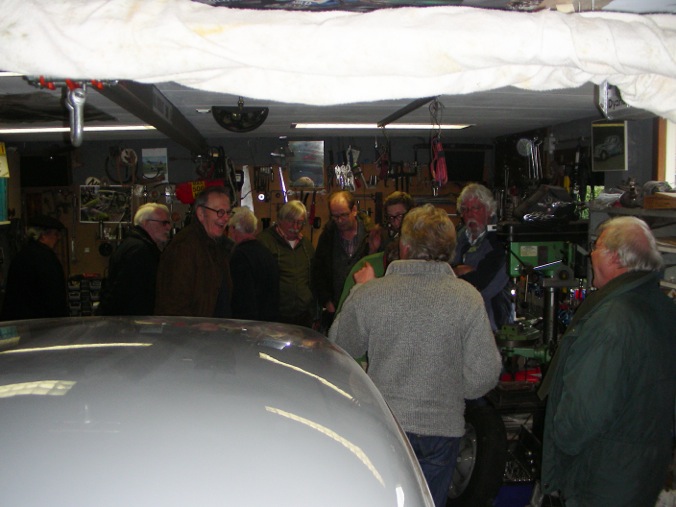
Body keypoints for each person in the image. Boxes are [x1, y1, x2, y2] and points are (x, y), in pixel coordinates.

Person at [329, 204, 502, 507]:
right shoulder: (467, 298)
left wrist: (359, 291)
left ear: (405, 246)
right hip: (442, 432)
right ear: (448, 249)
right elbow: (484, 375)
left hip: (385, 426)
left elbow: (340, 346)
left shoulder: (373, 294)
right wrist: (447, 391)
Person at [540, 216, 676, 507]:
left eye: (597, 247)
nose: (591, 254)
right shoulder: (664, 308)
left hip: (603, 477)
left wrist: (558, 445)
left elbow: (581, 416)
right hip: (644, 467)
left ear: (616, 257)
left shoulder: (611, 321)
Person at [155, 186, 233, 317]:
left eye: (228, 212)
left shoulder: (216, 246)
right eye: (219, 212)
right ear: (201, 214)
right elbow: (173, 305)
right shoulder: (185, 247)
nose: (225, 218)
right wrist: (198, 326)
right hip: (192, 329)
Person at [311, 190, 382, 329]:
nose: (339, 220)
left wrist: (373, 250)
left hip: (365, 308)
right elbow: (318, 272)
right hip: (335, 309)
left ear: (354, 210)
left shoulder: (370, 235)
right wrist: (327, 302)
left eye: (343, 215)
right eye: (335, 216)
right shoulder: (328, 237)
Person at [335, 191, 414, 313]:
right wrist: (373, 249)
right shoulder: (383, 237)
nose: (396, 222)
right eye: (391, 217)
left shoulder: (420, 242)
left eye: (399, 216)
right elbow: (370, 266)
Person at [451, 182, 511, 332]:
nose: (470, 214)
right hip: (458, 323)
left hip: (490, 325)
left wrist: (455, 275)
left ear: (489, 210)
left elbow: (484, 286)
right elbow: (442, 274)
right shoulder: (456, 239)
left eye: (476, 208)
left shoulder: (500, 242)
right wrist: (460, 271)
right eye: (465, 209)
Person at [98, 203, 171, 315]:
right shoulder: (139, 250)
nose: (168, 227)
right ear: (145, 223)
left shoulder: (136, 245)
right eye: (164, 223)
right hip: (132, 319)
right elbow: (123, 292)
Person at [257, 200, 316, 328]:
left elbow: (313, 279)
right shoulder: (264, 243)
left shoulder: (306, 245)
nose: (295, 226)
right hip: (275, 316)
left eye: (300, 222)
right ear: (280, 219)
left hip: (303, 315)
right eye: (291, 221)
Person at [1, 214, 68, 320]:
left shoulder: (21, 255)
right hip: (41, 322)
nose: (58, 238)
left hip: (18, 321)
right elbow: (54, 296)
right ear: (43, 235)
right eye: (55, 234)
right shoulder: (46, 259)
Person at [228, 206, 280, 322]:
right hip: (269, 322)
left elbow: (242, 300)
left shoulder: (240, 257)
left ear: (233, 228)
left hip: (249, 325)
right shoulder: (266, 253)